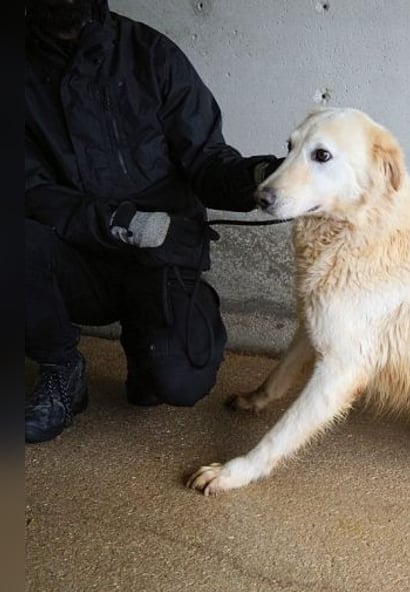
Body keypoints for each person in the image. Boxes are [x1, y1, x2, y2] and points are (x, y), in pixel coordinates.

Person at [25, 0, 282, 442]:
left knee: (178, 382)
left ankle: (159, 337)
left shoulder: (151, 54)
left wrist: (262, 178)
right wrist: (122, 222)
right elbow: (26, 188)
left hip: (161, 254)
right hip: (71, 258)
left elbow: (207, 160)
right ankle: (61, 369)